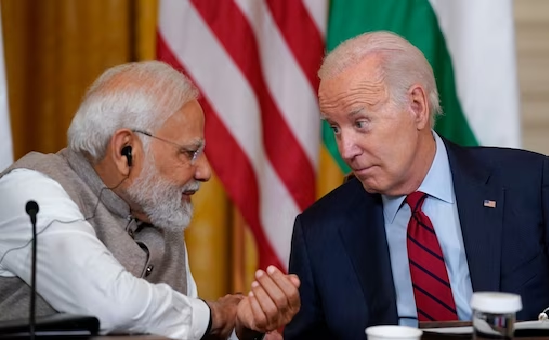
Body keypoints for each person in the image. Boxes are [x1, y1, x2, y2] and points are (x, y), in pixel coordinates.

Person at [0, 61, 300, 339]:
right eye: (188, 152)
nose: (206, 171)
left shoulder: (156, 208)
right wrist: (221, 314)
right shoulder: (31, 190)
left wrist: (244, 327)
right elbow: (111, 304)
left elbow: (180, 326)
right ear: (125, 150)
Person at [284, 31, 549, 340]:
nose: (345, 150)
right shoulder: (319, 232)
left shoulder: (530, 184)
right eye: (335, 128)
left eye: (359, 123)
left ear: (416, 106)